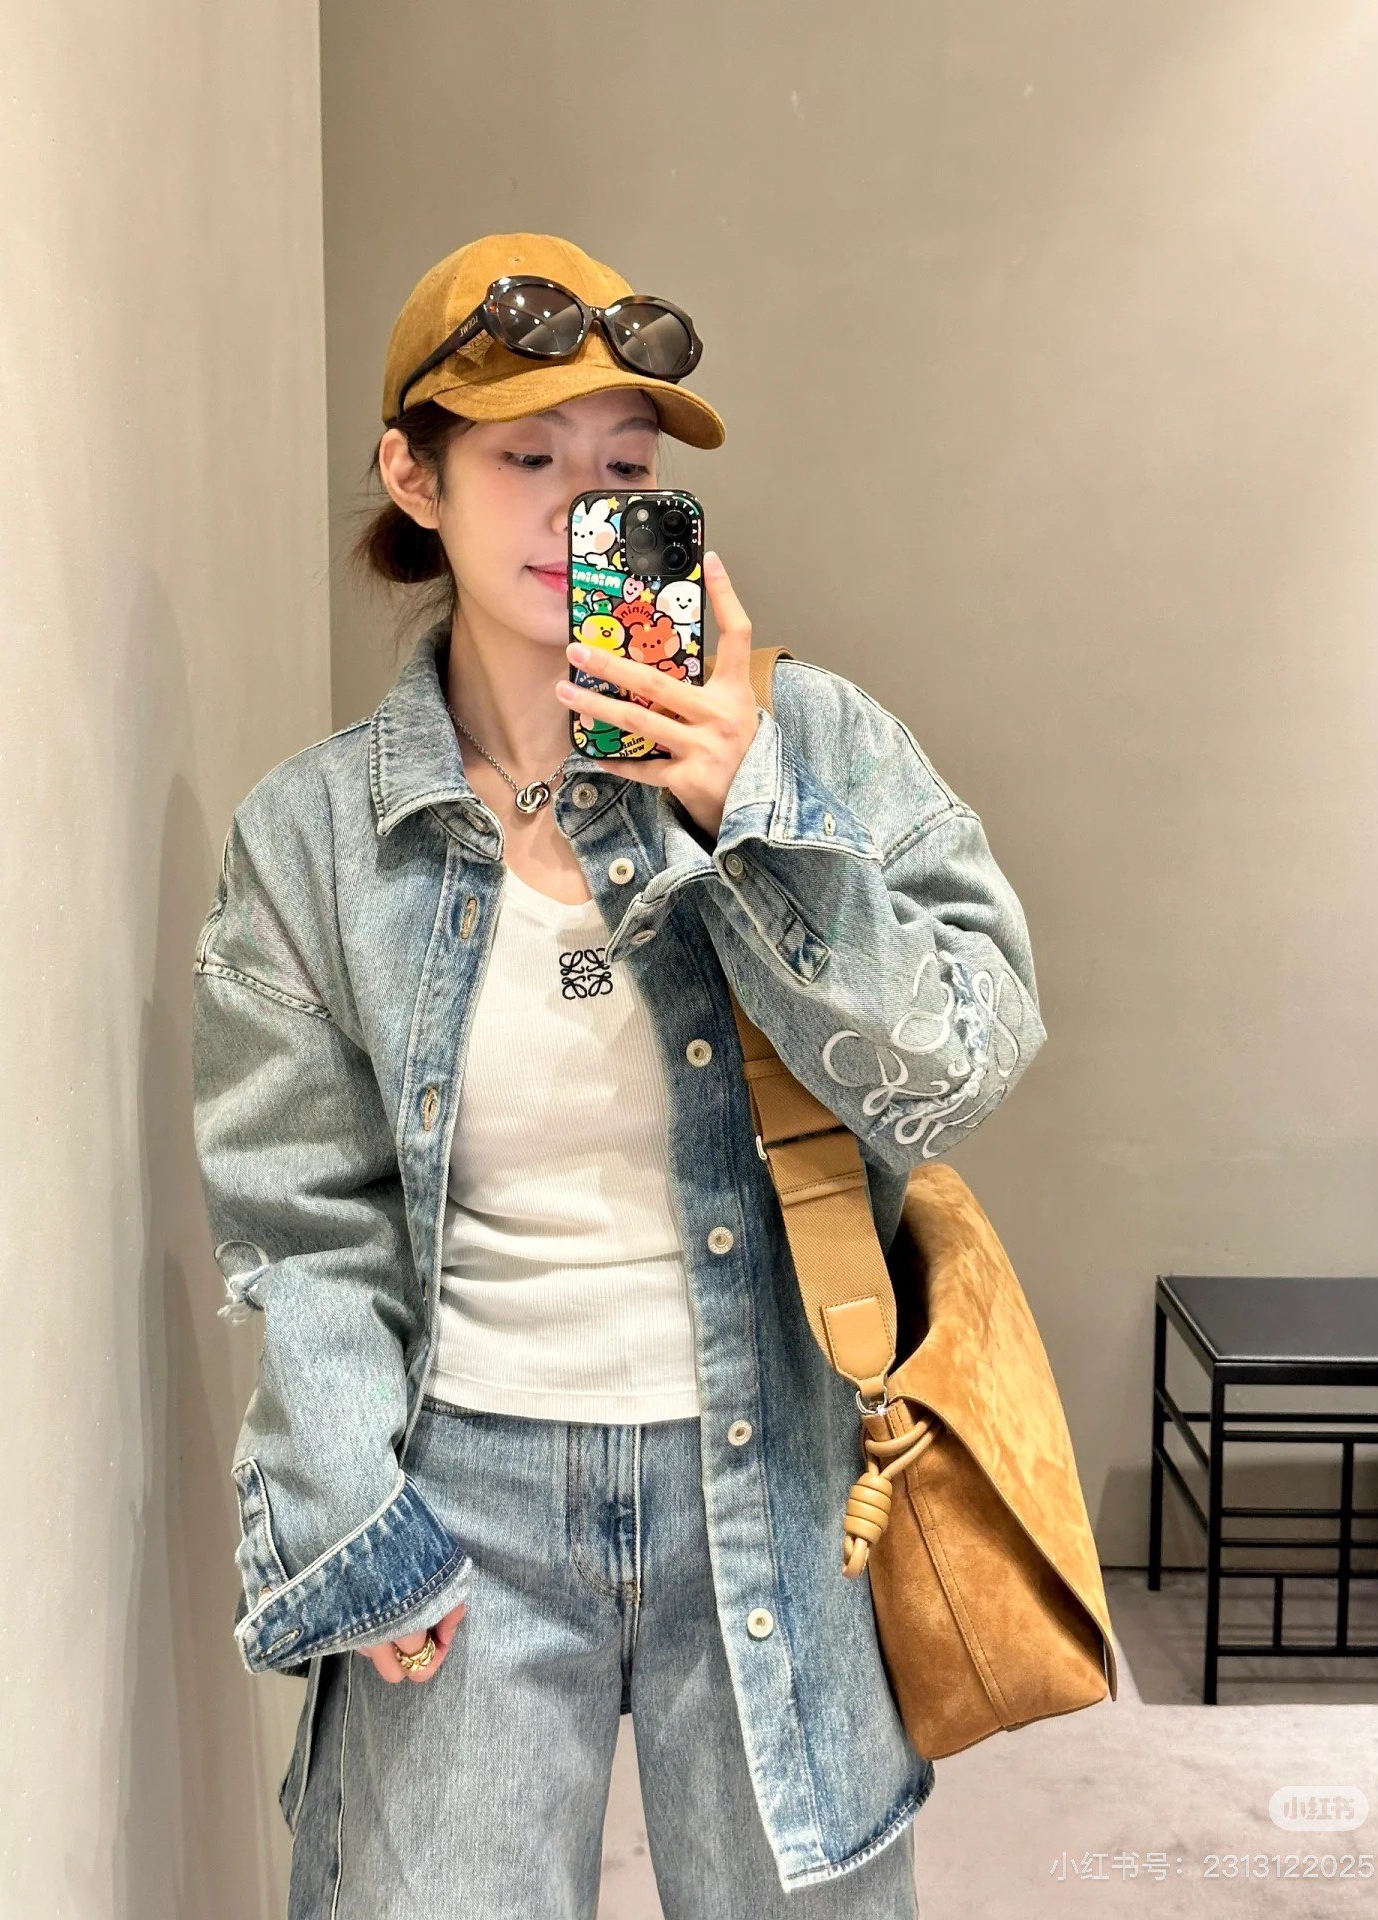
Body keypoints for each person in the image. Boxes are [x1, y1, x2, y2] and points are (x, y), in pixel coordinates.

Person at [191, 231, 1049, 1918]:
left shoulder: (812, 747)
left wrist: (756, 817)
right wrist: (351, 1511)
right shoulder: (313, 839)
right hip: (466, 1496)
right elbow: (302, 1226)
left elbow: (962, 1063)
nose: (582, 505)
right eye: (527, 459)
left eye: (625, 470)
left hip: (776, 1471)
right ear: (414, 478)